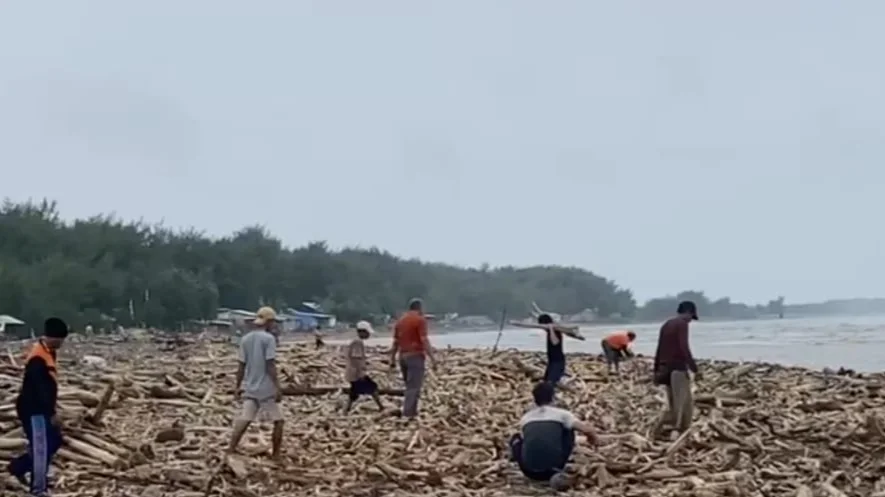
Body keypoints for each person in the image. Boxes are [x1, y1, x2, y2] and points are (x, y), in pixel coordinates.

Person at [8, 317, 69, 496]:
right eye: (61, 340)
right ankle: (39, 489)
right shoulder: (37, 358)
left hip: (42, 408)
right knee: (41, 448)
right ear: (53, 337)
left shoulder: (49, 353)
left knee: (54, 440)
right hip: (34, 410)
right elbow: (39, 389)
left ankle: (18, 467)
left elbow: (49, 387)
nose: (62, 343)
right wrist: (51, 413)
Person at [509, 382, 598, 490]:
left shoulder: (526, 418)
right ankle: (556, 464)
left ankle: (519, 461)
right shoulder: (562, 414)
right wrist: (593, 442)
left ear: (535, 399)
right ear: (552, 397)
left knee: (516, 438)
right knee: (568, 429)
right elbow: (588, 430)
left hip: (529, 472)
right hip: (554, 469)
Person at [227, 306, 284, 460]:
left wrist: (237, 387)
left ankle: (231, 449)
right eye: (273, 322)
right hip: (265, 388)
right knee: (279, 421)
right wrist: (277, 387)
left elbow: (241, 366)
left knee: (245, 419)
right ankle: (276, 455)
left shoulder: (245, 339)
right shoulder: (268, 339)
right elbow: (270, 364)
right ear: (269, 321)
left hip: (250, 387)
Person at [653, 300, 700, 438]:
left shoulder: (667, 324)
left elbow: (659, 348)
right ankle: (678, 431)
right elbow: (684, 346)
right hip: (678, 368)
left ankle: (664, 428)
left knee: (673, 402)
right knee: (683, 402)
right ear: (688, 312)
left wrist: (656, 370)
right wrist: (693, 367)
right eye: (691, 316)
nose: (690, 320)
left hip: (665, 369)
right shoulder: (682, 324)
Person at [390, 298, 436, 419]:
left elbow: (395, 342)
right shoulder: (420, 320)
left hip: (402, 356)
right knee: (414, 387)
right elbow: (424, 339)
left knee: (409, 385)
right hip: (415, 356)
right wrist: (432, 358)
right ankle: (408, 413)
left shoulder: (400, 321)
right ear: (419, 307)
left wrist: (392, 359)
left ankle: (411, 411)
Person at [343, 321, 384, 413]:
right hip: (356, 373)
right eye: (367, 333)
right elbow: (356, 358)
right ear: (362, 332)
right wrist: (361, 373)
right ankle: (381, 407)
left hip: (352, 373)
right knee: (373, 388)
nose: (368, 335)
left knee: (354, 392)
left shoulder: (355, 341)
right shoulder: (357, 342)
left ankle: (346, 410)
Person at [538, 314, 567, 385]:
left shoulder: (555, 331)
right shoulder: (550, 331)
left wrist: (551, 329)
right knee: (546, 380)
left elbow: (555, 342)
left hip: (558, 361)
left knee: (551, 382)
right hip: (552, 361)